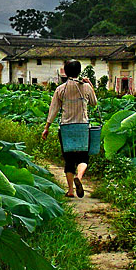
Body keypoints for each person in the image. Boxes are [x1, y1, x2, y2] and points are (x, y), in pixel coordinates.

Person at [42, 60, 97, 198]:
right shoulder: (85, 87)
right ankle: (79, 176)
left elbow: (53, 109)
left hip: (66, 127)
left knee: (69, 160)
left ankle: (71, 190)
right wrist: (89, 84)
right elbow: (94, 103)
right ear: (79, 72)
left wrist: (47, 127)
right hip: (82, 126)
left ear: (65, 72)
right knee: (83, 157)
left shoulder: (60, 89)